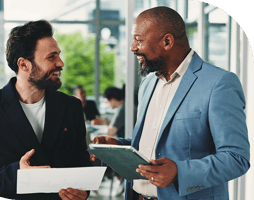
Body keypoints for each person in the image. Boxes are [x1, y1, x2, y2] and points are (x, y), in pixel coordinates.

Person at [91, 6, 250, 200]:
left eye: (139, 40)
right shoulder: (148, 83)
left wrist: (179, 172)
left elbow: (236, 158)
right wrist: (118, 147)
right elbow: (155, 146)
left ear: (167, 41)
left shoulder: (219, 83)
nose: (133, 47)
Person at [0, 20, 92, 200]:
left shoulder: (71, 107)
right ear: (23, 64)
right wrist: (18, 174)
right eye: (51, 57)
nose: (61, 63)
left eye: (59, 55)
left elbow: (81, 164)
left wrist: (83, 192)